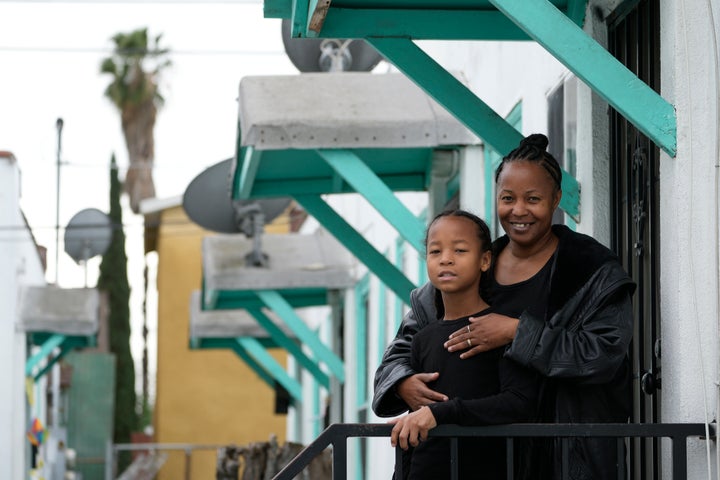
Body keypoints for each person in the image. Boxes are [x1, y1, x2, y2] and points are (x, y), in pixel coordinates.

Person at [375, 133, 636, 479]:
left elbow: (605, 355)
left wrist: (517, 332)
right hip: (479, 461)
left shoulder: (591, 271)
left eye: (533, 199)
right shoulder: (463, 272)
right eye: (508, 198)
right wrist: (403, 383)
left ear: (556, 198)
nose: (519, 211)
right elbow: (400, 354)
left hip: (566, 459)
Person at [389, 209, 541, 480]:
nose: (446, 259)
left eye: (459, 251)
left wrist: (442, 413)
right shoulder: (422, 340)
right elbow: (416, 426)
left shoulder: (499, 329)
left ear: (484, 261)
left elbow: (519, 403)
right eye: (435, 252)